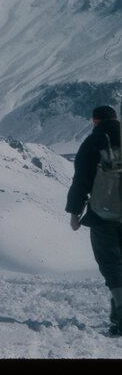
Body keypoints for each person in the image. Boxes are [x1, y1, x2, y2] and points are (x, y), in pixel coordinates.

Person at [66, 104, 122, 335]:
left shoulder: (93, 142)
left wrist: (74, 212)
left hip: (103, 215)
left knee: (111, 265)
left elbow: (81, 180)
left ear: (95, 121)